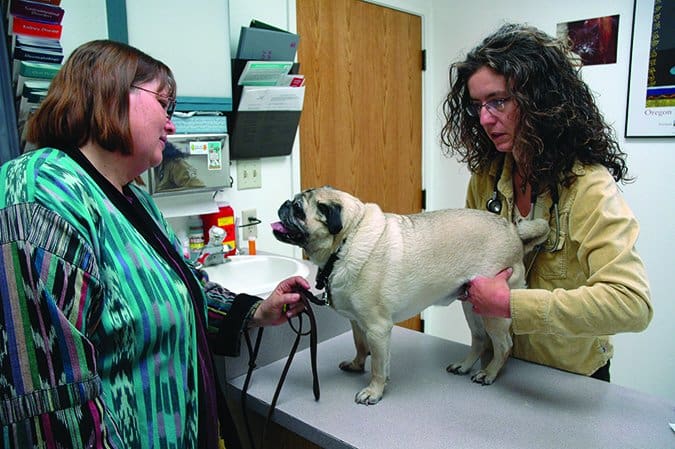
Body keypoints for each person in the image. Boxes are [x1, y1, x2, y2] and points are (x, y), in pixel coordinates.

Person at [0, 40, 309, 449]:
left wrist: (258, 310)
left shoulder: (136, 199)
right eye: (164, 104)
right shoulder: (43, 190)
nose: (171, 124)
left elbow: (184, 292)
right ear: (109, 92)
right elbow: (50, 400)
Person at [440, 23, 652, 382]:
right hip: (499, 367)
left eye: (499, 101)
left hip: (568, 379)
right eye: (478, 106)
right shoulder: (486, 179)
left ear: (540, 100)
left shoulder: (588, 187)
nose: (486, 119)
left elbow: (631, 304)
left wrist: (511, 304)